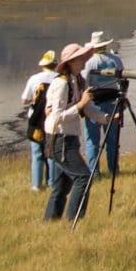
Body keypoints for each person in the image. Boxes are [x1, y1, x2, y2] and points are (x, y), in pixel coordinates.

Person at [43, 43, 114, 221]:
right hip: (59, 139)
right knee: (83, 178)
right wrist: (80, 105)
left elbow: (89, 108)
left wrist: (108, 118)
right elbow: (56, 117)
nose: (84, 62)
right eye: (81, 58)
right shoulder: (61, 84)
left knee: (62, 186)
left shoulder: (77, 81)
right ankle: (73, 222)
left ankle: (50, 222)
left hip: (68, 139)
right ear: (72, 61)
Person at [81, 31, 123, 176]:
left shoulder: (89, 62)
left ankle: (94, 172)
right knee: (112, 139)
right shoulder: (115, 60)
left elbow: (84, 83)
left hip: (94, 103)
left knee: (92, 140)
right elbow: (121, 80)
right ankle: (113, 169)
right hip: (113, 101)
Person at [20, 50, 58, 191]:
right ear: (55, 65)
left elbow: (24, 100)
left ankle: (36, 185)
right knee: (51, 152)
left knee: (37, 153)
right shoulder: (60, 78)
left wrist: (33, 100)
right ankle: (52, 183)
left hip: (36, 119)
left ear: (43, 65)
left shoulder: (34, 79)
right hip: (53, 118)